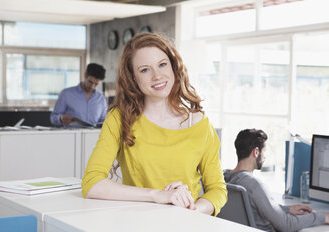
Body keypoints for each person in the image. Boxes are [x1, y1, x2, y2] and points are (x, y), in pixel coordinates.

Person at [81, 33, 227, 216]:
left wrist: (192, 210)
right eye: (144, 70)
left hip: (186, 225)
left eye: (162, 64)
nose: (157, 76)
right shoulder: (120, 118)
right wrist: (159, 195)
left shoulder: (200, 124)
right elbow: (92, 183)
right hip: (137, 224)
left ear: (174, 67)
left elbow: (217, 190)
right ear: (133, 78)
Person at [224, 129, 329, 232]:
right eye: (264, 152)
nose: (265, 156)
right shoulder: (253, 185)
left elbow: (255, 207)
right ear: (256, 152)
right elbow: (286, 224)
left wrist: (288, 209)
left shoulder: (225, 177)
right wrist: (320, 217)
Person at [50, 63, 107, 127]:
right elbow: (53, 118)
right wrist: (60, 118)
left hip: (93, 136)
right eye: (90, 82)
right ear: (85, 75)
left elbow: (103, 122)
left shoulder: (101, 99)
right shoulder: (66, 94)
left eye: (96, 84)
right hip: (71, 136)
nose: (92, 87)